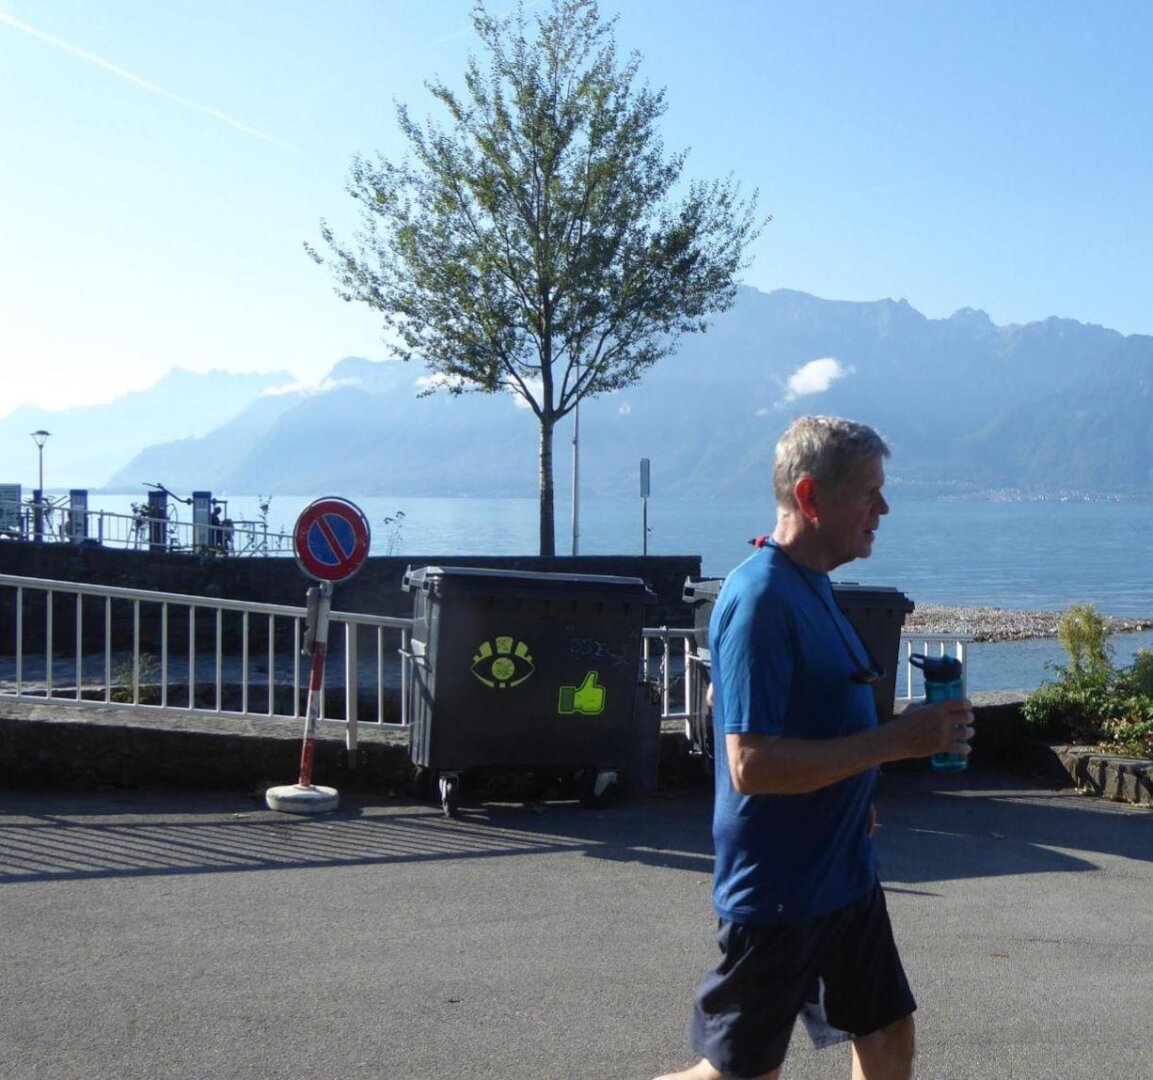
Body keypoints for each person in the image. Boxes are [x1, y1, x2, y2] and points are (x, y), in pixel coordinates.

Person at [656, 415, 975, 1080]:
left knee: (887, 1037)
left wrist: (854, 794)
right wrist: (896, 741)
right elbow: (750, 765)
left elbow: (818, 723)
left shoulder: (814, 585)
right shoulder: (761, 598)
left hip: (843, 872)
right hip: (779, 887)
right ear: (809, 498)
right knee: (736, 1075)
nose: (882, 509)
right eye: (867, 493)